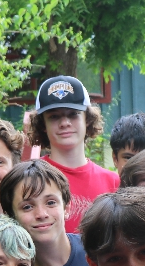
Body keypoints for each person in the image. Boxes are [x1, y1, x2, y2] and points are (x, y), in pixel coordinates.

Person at [29, 75, 119, 233]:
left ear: (88, 119)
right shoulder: (28, 178)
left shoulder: (113, 183)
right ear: (43, 124)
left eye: (73, 114)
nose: (65, 123)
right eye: (54, 116)